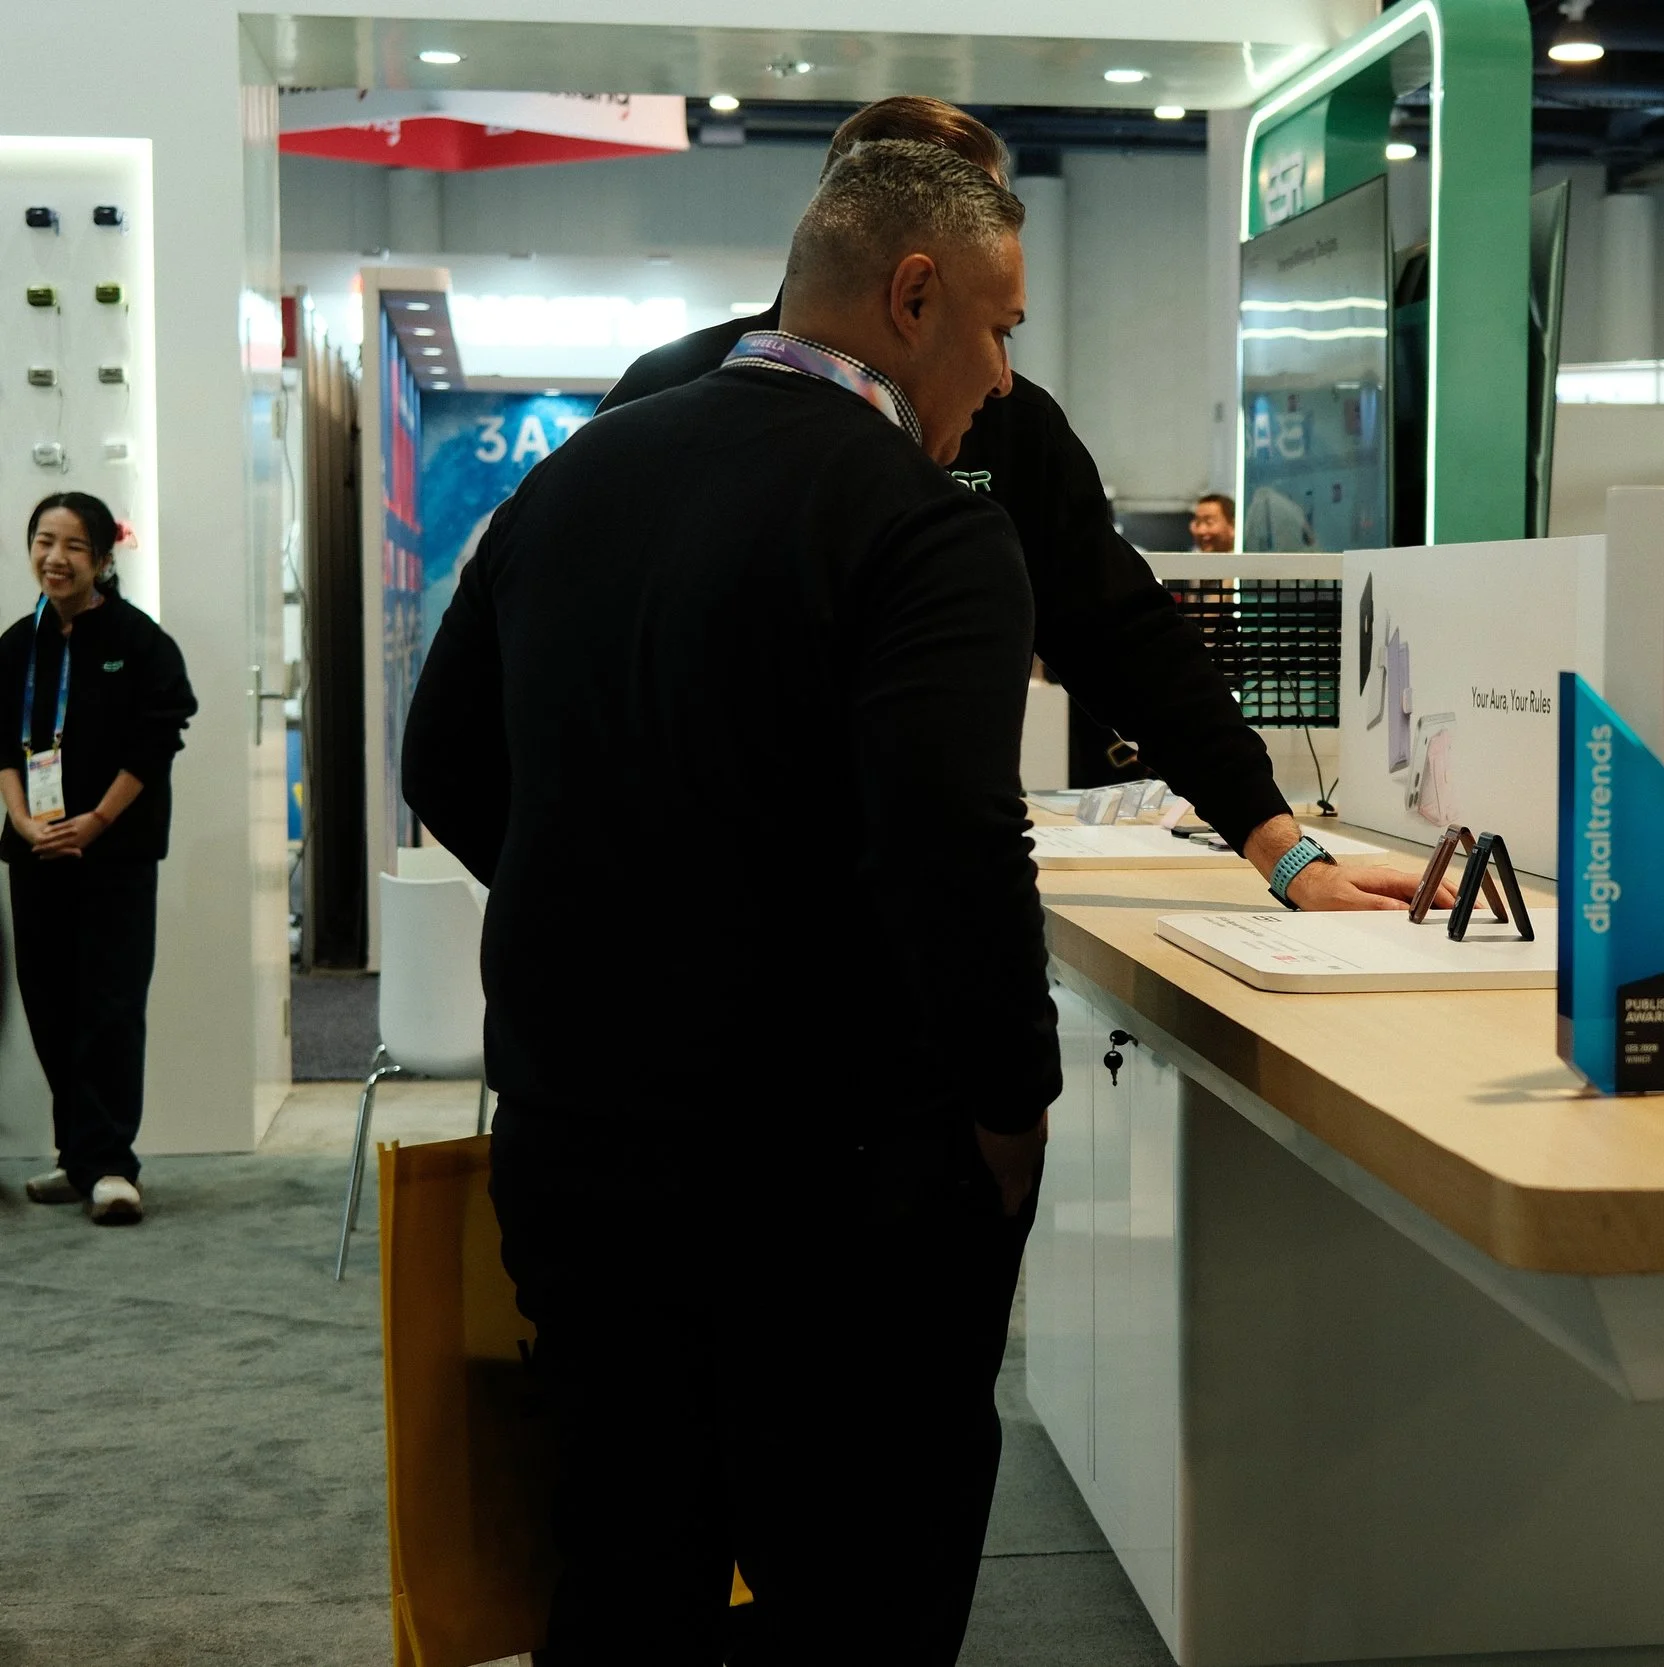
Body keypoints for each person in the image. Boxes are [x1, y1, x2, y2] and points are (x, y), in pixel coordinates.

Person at [405, 141, 1053, 1664]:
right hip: (830, 1181)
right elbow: (952, 846)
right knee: (861, 1600)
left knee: (628, 1576)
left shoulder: (576, 478)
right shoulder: (930, 528)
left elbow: (444, 759)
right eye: (1001, 327)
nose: (1008, 380)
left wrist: (632, 902)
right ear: (912, 294)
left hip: (575, 1141)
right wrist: (1010, 1118)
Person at [604, 97, 1426, 915]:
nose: (997, 368)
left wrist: (1288, 854)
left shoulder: (1010, 423)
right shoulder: (668, 397)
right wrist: (583, 880)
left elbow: (1129, 641)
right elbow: (505, 673)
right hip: (654, 942)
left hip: (886, 943)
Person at [2, 493, 197, 1225]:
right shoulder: (17, 645)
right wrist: (24, 823)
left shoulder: (139, 642)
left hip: (113, 856)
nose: (55, 558)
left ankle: (113, 1163)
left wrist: (95, 821)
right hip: (37, 855)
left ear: (104, 558)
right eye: (43, 541)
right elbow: (4, 749)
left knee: (109, 1007)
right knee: (50, 1005)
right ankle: (78, 1155)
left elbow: (156, 741)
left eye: (73, 545)